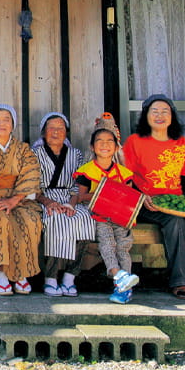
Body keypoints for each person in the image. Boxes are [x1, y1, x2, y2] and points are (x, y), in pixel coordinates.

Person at [124, 94, 185, 301]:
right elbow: (126, 178)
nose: (160, 116)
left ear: (172, 117)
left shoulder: (181, 143)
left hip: (175, 201)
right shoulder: (134, 142)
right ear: (146, 116)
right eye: (154, 111)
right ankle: (181, 282)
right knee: (175, 222)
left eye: (165, 112)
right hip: (145, 203)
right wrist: (142, 197)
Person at [0, 105, 42, 295]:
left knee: (30, 221)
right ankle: (2, 273)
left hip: (19, 198)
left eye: (6, 119)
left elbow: (30, 175)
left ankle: (21, 273)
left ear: (13, 124)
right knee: (1, 220)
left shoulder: (23, 149)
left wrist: (14, 200)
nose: (1, 123)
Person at [75, 126, 141, 304]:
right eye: (100, 141)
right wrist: (107, 194)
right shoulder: (87, 171)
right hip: (100, 215)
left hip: (120, 216)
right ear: (92, 146)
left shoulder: (124, 173)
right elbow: (81, 196)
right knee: (107, 243)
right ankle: (117, 274)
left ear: (117, 147)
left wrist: (115, 196)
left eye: (109, 141)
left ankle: (124, 289)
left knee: (123, 246)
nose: (105, 145)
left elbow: (129, 196)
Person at [33, 112, 95, 297]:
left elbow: (80, 184)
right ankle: (50, 278)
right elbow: (32, 187)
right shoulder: (34, 154)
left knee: (85, 219)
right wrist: (49, 202)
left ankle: (70, 277)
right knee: (56, 221)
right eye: (51, 128)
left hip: (70, 198)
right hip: (46, 198)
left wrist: (71, 203)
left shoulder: (75, 154)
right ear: (44, 132)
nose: (56, 132)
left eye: (60, 128)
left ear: (66, 132)